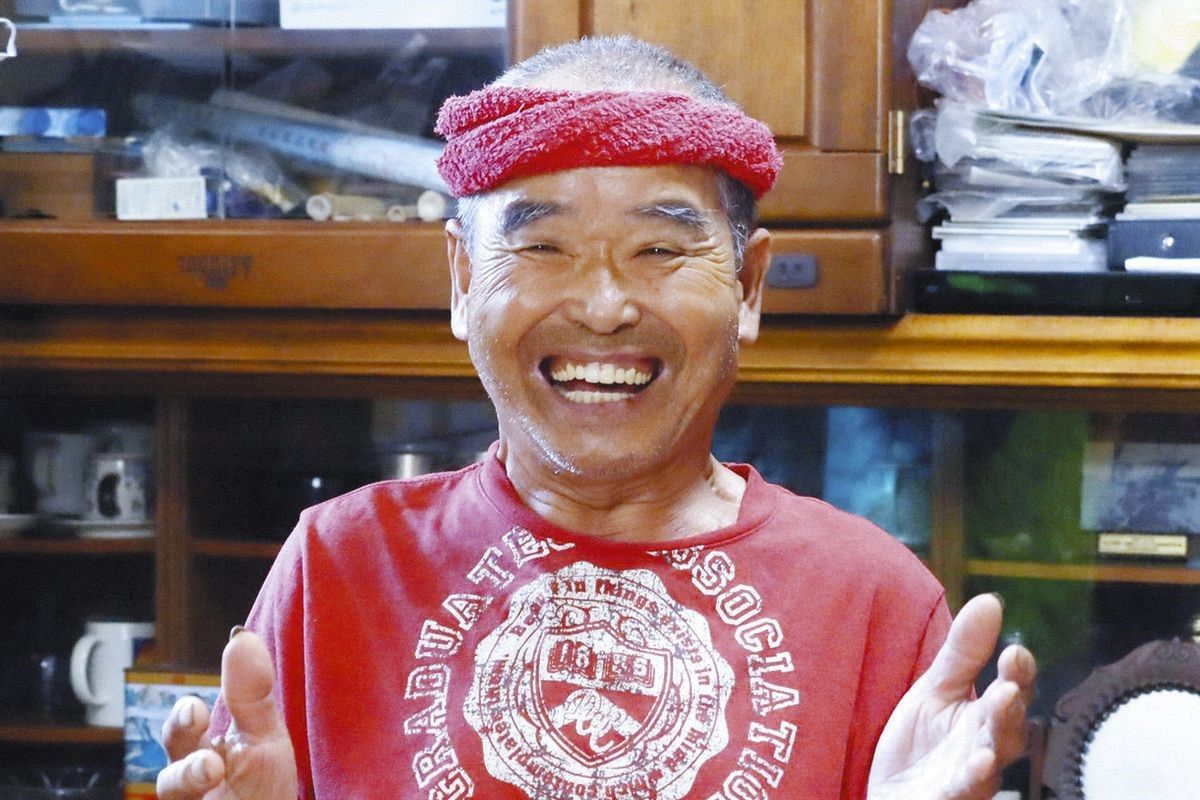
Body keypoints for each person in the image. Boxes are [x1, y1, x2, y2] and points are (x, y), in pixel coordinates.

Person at [157, 36, 1036, 800]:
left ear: (748, 287)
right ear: (463, 280)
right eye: (543, 247)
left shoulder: (875, 603)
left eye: (660, 249)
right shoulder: (340, 568)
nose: (605, 306)